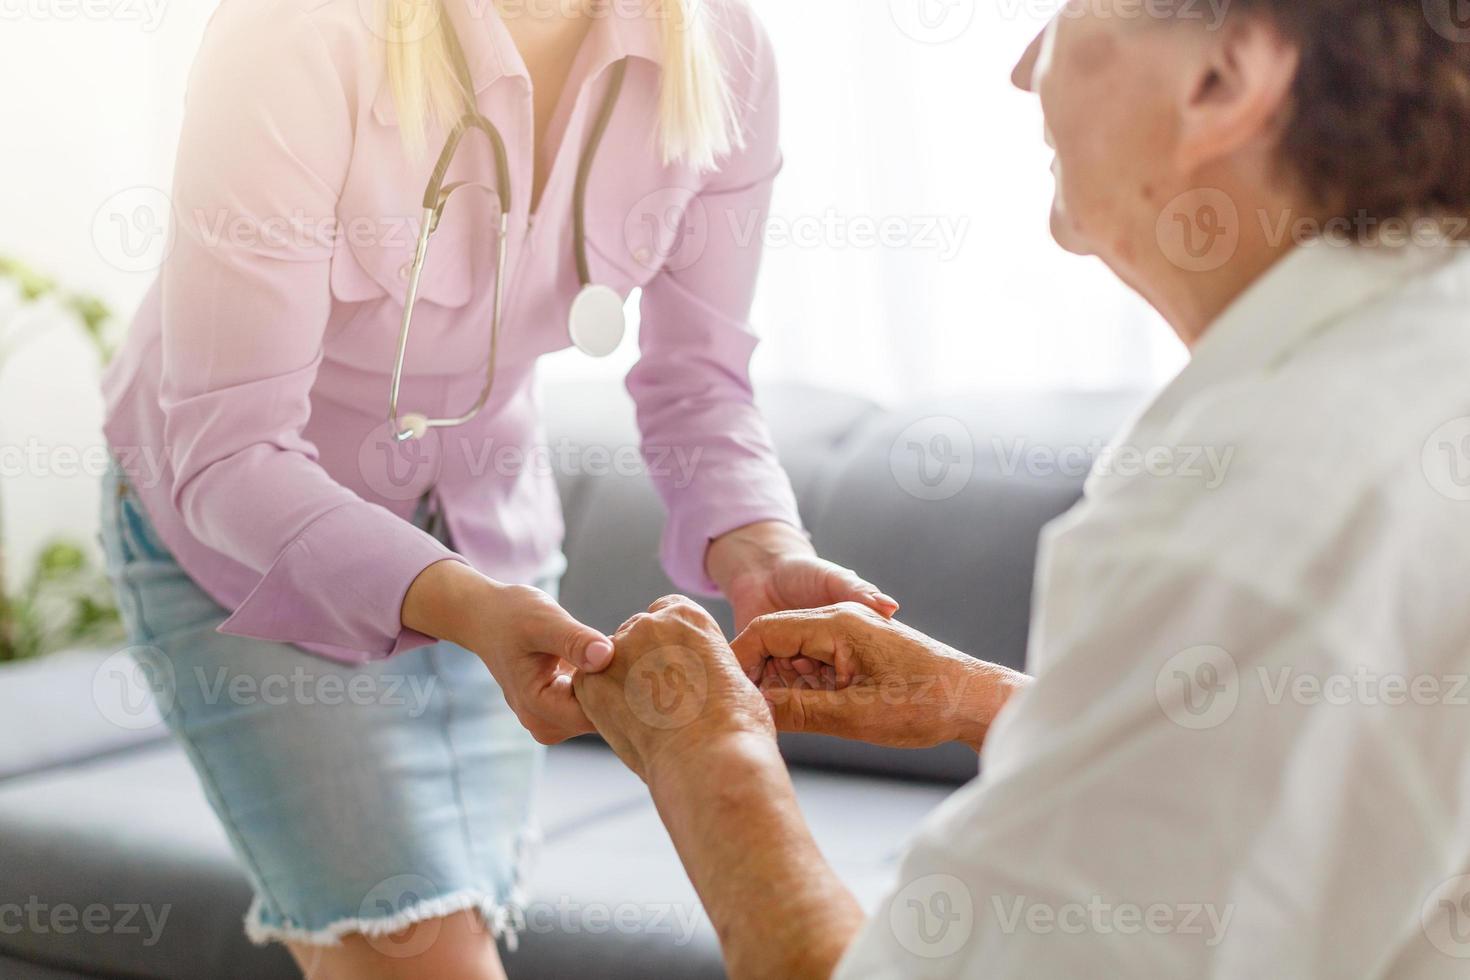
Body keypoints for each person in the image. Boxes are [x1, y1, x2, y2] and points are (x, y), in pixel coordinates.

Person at [573, 1, 1470, 976]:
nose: (1023, 64)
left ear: (1222, 79)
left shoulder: (1250, 514)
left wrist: (707, 761)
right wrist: (981, 700)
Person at [98, 1, 894, 977]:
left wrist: (765, 546)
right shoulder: (297, 32)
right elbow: (229, 451)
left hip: (492, 536)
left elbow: (700, 385)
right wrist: (465, 604)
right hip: (250, 550)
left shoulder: (721, 45)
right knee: (428, 954)